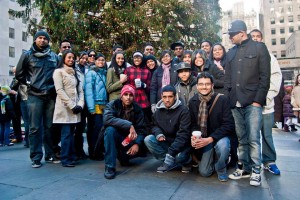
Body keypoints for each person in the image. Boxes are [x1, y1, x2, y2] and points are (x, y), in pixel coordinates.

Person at [224, 20, 270, 186]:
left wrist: (258, 100)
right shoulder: (230, 53)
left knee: (253, 138)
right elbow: (227, 78)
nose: (230, 38)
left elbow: (265, 77)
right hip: (235, 102)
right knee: (241, 138)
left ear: (242, 33)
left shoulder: (259, 48)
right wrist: (230, 97)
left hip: (253, 102)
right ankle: (244, 168)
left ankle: (257, 170)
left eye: (232, 35)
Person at [16, 30, 60, 168]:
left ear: (48, 41)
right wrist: (30, 84)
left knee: (49, 127)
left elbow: (58, 74)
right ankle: (35, 157)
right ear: (35, 40)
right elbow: (19, 74)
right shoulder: (27, 55)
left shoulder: (53, 57)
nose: (42, 40)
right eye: (39, 38)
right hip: (34, 96)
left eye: (45, 38)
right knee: (35, 128)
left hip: (50, 96)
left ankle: (50, 154)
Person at [189, 72, 235, 182]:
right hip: (203, 138)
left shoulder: (222, 100)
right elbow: (193, 124)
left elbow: (229, 125)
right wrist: (194, 136)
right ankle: (213, 158)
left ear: (212, 85)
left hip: (219, 137)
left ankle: (221, 166)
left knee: (223, 145)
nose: (204, 87)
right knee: (205, 172)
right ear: (197, 86)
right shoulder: (193, 101)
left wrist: (210, 139)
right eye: (201, 84)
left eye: (207, 84)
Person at [250, 29, 282, 175]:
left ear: (262, 39)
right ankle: (251, 162)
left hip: (265, 105)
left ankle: (269, 161)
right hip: (249, 105)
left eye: (258, 37)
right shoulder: (246, 56)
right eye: (253, 37)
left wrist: (266, 97)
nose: (255, 39)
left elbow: (276, 77)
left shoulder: (269, 57)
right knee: (250, 136)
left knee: (267, 135)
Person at [103, 85, 147, 179]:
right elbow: (107, 119)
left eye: (130, 95)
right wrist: (129, 125)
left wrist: (137, 144)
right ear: (121, 96)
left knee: (125, 160)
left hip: (127, 140)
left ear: (133, 97)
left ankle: (124, 157)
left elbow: (142, 130)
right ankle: (110, 167)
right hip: (114, 137)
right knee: (110, 130)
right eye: (125, 94)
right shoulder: (113, 104)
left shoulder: (138, 110)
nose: (128, 97)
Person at [144, 85, 191, 173]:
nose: (167, 100)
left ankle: (184, 161)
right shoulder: (157, 111)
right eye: (164, 97)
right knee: (148, 139)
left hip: (181, 144)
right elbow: (153, 126)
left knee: (180, 158)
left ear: (175, 96)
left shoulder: (183, 111)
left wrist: (171, 153)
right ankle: (170, 162)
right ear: (161, 96)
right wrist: (158, 134)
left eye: (170, 97)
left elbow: (183, 135)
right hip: (166, 142)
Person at [53, 50, 84, 167]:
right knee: (66, 134)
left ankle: (71, 156)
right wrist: (72, 105)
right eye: (69, 57)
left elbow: (80, 91)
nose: (71, 60)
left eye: (73, 58)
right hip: (65, 108)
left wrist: (80, 105)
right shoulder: (58, 72)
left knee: (71, 134)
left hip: (76, 109)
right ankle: (65, 159)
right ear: (64, 58)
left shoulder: (75, 72)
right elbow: (59, 90)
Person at [85, 53, 108, 160]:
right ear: (95, 61)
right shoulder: (91, 73)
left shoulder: (104, 73)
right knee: (96, 129)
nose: (101, 62)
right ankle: (94, 152)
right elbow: (89, 91)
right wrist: (91, 108)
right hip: (95, 105)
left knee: (101, 129)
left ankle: (99, 150)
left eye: (103, 60)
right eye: (99, 60)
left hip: (103, 104)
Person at [124, 51, 152, 129]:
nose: (137, 59)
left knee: (144, 122)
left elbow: (150, 88)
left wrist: (144, 85)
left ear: (142, 59)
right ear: (133, 59)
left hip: (143, 100)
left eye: (139, 58)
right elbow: (125, 85)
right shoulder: (128, 70)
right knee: (131, 120)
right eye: (135, 57)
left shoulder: (147, 71)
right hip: (131, 98)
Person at [74, 51, 89, 159]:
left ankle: (80, 151)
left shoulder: (88, 69)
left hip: (86, 100)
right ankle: (75, 150)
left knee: (81, 126)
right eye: (82, 58)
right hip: (77, 100)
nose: (84, 60)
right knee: (76, 128)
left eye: (86, 58)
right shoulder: (75, 69)